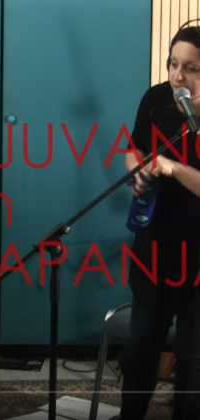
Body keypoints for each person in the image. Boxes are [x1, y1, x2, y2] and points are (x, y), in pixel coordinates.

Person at [109, 26, 200, 420]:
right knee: (140, 347)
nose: (178, 76)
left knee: (193, 362)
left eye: (192, 68)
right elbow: (134, 148)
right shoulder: (156, 98)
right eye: (173, 64)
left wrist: (173, 167)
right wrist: (137, 170)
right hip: (155, 246)